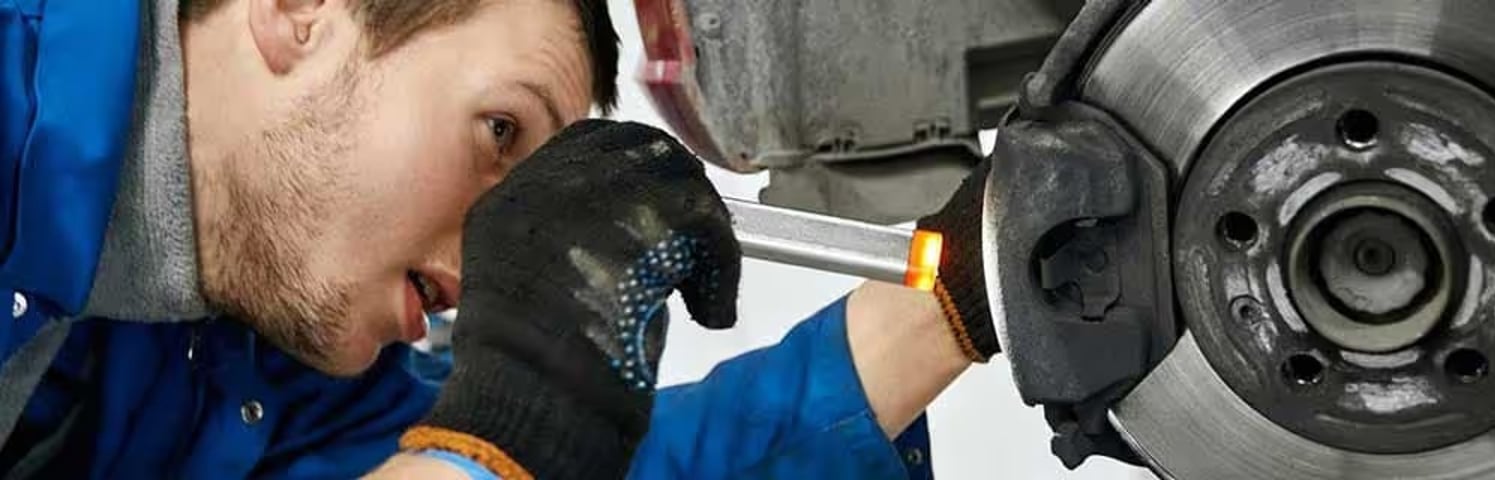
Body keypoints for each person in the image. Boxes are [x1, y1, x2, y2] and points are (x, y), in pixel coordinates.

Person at [0, 0, 1003, 478]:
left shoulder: (248, 367)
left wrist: (955, 303)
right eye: (499, 132)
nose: (495, 255)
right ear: (299, 13)